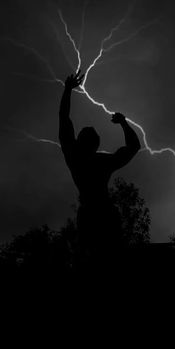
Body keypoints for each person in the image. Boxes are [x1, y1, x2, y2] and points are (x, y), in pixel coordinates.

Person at [59, 70, 141, 263]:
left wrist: (68, 90)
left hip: (89, 215)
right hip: (106, 214)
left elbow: (63, 118)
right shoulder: (102, 162)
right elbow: (134, 147)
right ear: (96, 145)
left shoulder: (74, 158)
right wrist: (123, 123)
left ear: (79, 142)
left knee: (89, 260)